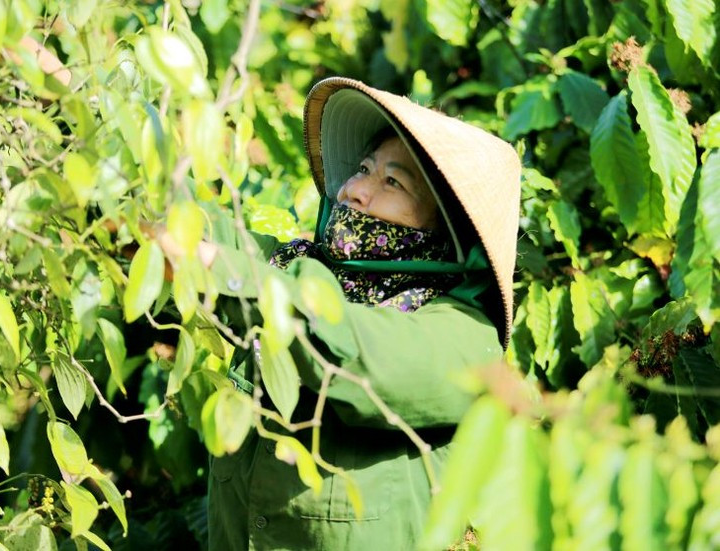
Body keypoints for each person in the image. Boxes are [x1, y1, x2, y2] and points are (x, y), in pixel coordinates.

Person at [193, 77, 521, 550]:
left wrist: (223, 270)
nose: (355, 191)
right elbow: (209, 231)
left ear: (446, 226)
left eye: (393, 182)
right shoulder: (295, 267)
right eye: (364, 168)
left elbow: (355, 348)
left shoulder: (467, 338)